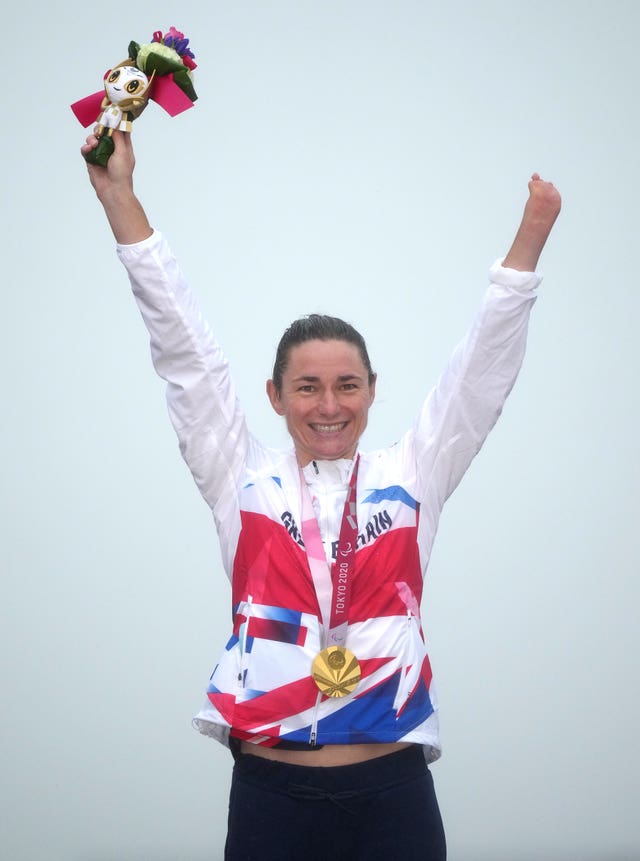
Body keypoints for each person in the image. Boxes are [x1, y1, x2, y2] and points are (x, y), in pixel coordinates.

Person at [81, 128, 561, 861]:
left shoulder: (413, 473)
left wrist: (527, 246)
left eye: (346, 385)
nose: (328, 404)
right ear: (275, 396)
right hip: (272, 795)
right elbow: (183, 348)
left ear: (372, 392)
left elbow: (480, 378)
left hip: (392, 793)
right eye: (307, 386)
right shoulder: (238, 474)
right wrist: (120, 198)